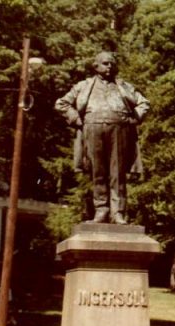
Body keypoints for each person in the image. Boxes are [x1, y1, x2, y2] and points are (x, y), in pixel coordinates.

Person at [55, 51, 150, 224]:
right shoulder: (84, 86)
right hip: (92, 129)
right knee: (97, 172)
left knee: (117, 173)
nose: (109, 66)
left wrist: (135, 118)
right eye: (105, 63)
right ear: (96, 66)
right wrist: (76, 118)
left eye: (112, 63)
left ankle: (118, 212)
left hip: (119, 130)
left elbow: (144, 103)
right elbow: (61, 103)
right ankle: (102, 210)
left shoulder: (124, 86)